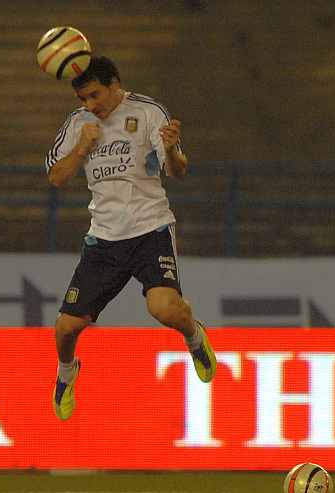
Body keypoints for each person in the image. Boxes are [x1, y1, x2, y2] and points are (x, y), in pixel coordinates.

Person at [46, 56, 216, 420]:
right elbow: (56, 178)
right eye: (83, 100)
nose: (89, 106)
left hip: (150, 230)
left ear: (114, 84)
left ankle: (195, 338)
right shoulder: (78, 124)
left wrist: (170, 148)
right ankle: (67, 371)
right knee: (65, 328)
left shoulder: (148, 112)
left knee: (165, 309)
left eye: (94, 96)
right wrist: (81, 149)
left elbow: (177, 170)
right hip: (104, 240)